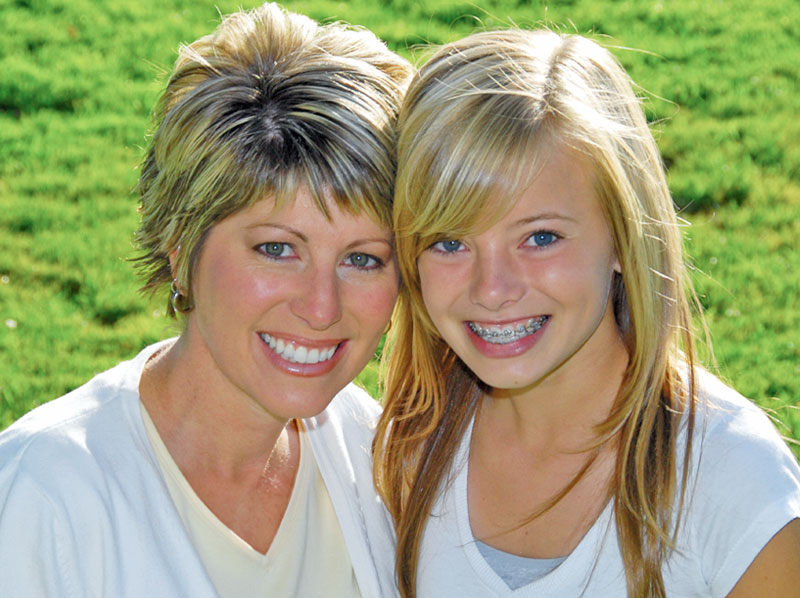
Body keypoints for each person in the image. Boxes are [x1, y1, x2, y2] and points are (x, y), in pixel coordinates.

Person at [0, 4, 411, 596]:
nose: (322, 308)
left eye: (362, 258)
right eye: (277, 249)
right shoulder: (41, 499)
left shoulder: (376, 466)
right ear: (178, 244)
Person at [373, 29, 800, 597]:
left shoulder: (733, 485)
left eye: (541, 237)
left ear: (623, 237)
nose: (493, 289)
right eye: (449, 242)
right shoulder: (411, 446)